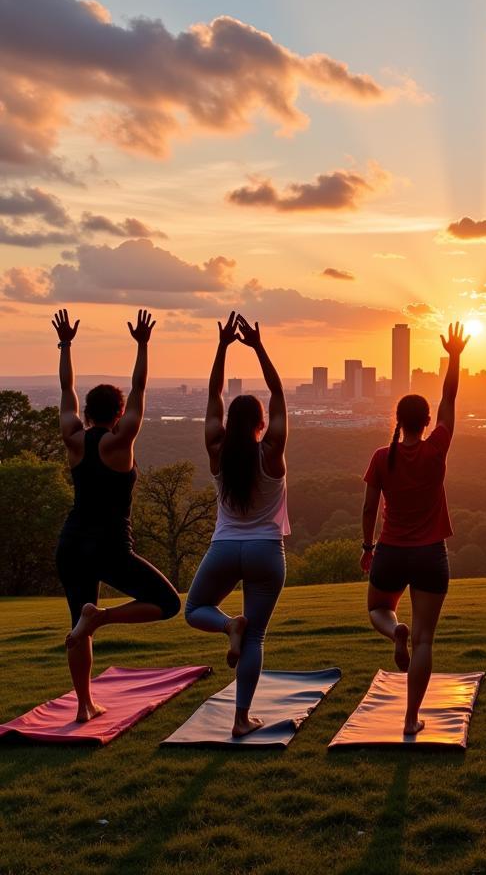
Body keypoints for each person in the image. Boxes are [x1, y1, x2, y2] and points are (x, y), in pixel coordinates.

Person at [53, 308, 181, 723]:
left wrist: (66, 344)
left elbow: (66, 386)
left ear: (88, 412)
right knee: (166, 602)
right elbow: (140, 386)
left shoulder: (73, 438)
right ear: (118, 411)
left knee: (78, 624)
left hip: (71, 544)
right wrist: (143, 344)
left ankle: (84, 706)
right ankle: (102, 617)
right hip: (110, 548)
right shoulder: (120, 441)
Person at [360, 322, 470, 736]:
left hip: (390, 551)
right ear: (426, 422)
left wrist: (367, 546)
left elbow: (370, 507)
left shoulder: (380, 457)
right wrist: (455, 356)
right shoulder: (436, 447)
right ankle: (410, 719)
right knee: (425, 641)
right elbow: (449, 399)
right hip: (430, 556)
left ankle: (394, 631)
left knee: (377, 610)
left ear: (398, 421)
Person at [185, 313, 289, 737]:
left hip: (225, 548)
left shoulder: (216, 450)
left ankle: (228, 624)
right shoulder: (273, 451)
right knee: (257, 637)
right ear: (261, 424)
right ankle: (241, 719)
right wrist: (259, 346)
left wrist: (223, 346)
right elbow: (279, 391)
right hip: (266, 551)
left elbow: (212, 393)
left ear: (230, 423)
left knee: (194, 610)